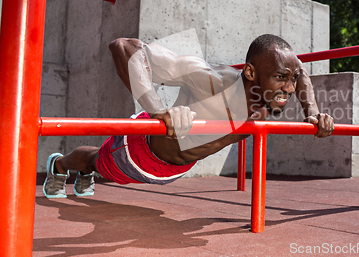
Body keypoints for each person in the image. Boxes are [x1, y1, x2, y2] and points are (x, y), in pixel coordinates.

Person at [43, 34, 335, 198]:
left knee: (99, 167)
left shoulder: (270, 98)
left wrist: (313, 113)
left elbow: (302, 73)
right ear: (250, 72)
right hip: (140, 149)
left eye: (291, 79)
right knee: (96, 161)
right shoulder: (213, 80)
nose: (289, 86)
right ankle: (60, 166)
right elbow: (123, 47)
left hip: (176, 169)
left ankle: (83, 172)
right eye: (280, 77)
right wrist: (159, 108)